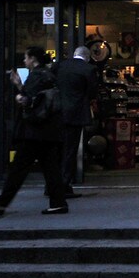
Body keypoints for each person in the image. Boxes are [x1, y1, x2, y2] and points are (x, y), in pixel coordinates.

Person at [0, 47, 70, 216]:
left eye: (26, 57)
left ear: (33, 59)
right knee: (51, 169)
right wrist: (19, 85)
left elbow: (29, 100)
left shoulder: (36, 75)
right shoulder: (48, 74)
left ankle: (1, 203)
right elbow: (39, 97)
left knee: (18, 169)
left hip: (33, 132)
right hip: (48, 131)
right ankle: (58, 203)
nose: (24, 61)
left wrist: (19, 97)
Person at [55, 43, 100, 191]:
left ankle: (52, 184)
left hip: (58, 112)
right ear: (87, 58)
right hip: (76, 113)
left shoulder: (60, 66)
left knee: (57, 149)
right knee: (70, 149)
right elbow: (92, 92)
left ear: (74, 54)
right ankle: (64, 184)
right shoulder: (89, 69)